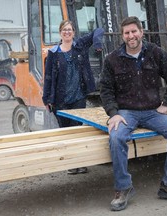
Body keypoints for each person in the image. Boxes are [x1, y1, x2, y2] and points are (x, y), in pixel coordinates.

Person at [99, 16, 167, 211]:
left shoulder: (156, 54)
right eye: (126, 33)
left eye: (134, 31)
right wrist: (113, 113)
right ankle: (123, 188)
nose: (131, 36)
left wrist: (166, 104)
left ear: (141, 32)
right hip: (126, 112)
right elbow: (106, 90)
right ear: (122, 36)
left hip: (153, 111)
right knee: (116, 138)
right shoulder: (112, 60)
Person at [42, 20, 104, 174]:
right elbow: (48, 77)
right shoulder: (54, 53)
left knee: (77, 131)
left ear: (74, 32)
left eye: (69, 30)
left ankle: (81, 162)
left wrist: (97, 43)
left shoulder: (80, 46)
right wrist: (47, 99)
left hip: (78, 97)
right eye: (64, 29)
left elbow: (99, 29)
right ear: (60, 32)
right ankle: (71, 163)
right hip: (60, 100)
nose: (67, 32)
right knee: (65, 132)